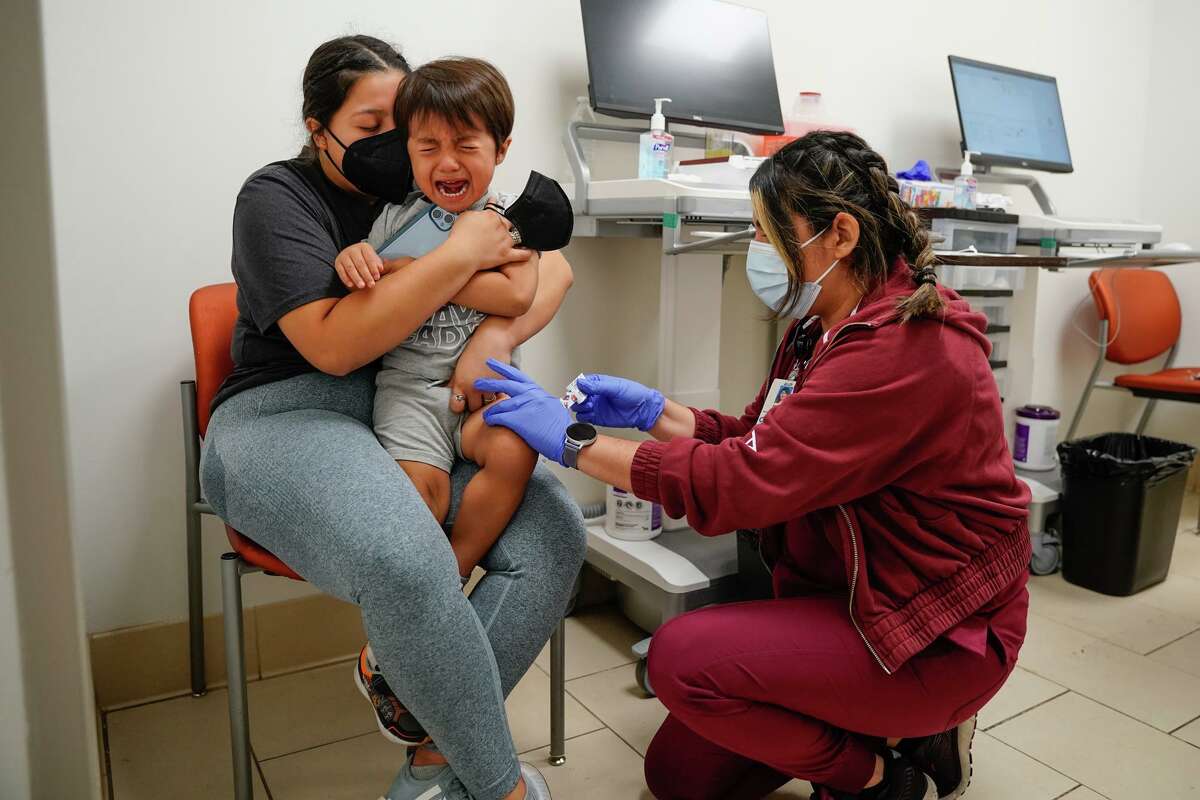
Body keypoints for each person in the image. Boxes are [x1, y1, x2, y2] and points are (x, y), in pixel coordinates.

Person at [474, 131, 1032, 800]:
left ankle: (885, 776)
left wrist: (572, 441)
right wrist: (655, 411)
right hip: (850, 597)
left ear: (841, 235)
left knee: (683, 659)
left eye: (770, 235)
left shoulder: (905, 351)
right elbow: (762, 440)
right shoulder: (823, 324)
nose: (758, 254)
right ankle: (874, 729)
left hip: (931, 630)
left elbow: (738, 485)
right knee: (680, 777)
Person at [199, 34, 583, 800]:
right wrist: (454, 259)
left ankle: (436, 763)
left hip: (418, 404)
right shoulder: (277, 197)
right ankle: (499, 787)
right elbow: (337, 348)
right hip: (290, 412)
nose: (395, 148)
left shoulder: (431, 187)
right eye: (374, 128)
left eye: (399, 127)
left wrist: (499, 336)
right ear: (319, 128)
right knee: (406, 555)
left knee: (555, 532)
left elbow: (555, 267)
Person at [333, 57, 539, 586]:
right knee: (424, 496)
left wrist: (418, 271)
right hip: (408, 390)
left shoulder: (512, 218)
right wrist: (356, 257)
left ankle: (455, 568)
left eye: (466, 145)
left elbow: (518, 294)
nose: (447, 163)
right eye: (428, 147)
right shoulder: (393, 218)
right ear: (408, 150)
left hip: (487, 391)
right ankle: (419, 602)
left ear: (502, 149)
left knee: (517, 447)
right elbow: (371, 282)